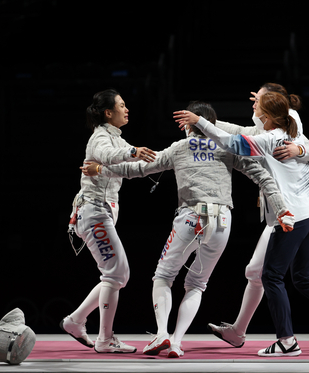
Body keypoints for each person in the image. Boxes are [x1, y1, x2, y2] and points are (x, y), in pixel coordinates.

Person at [83, 101, 294, 358]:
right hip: (223, 222)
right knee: (197, 283)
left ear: (190, 125)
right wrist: (282, 210)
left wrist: (101, 169)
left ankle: (161, 334)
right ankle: (177, 342)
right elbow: (264, 177)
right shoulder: (226, 147)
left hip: (191, 218)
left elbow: (138, 169)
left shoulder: (180, 147)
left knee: (163, 277)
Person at [174, 92, 309, 357]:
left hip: (290, 218)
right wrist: (205, 120)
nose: (255, 110)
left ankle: (288, 340)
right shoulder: (291, 127)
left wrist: (202, 122)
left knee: (272, 277)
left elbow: (233, 142)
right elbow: (238, 131)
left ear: (268, 115)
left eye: (258, 107)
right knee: (302, 277)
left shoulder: (271, 138)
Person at [59, 89, 156, 354]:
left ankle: (75, 321)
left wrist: (168, 160)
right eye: (122, 106)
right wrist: (133, 151)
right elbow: (110, 156)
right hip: (93, 213)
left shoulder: (117, 139)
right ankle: (104, 339)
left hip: (98, 214)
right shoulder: (100, 138)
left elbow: (130, 168)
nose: (127, 110)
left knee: (114, 275)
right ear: (108, 112)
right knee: (117, 274)